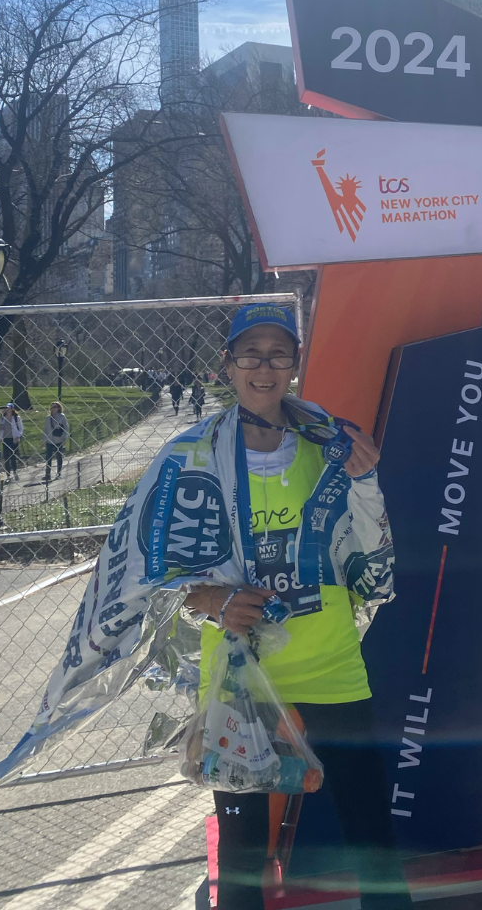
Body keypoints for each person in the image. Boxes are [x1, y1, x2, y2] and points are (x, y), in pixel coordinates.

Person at [181, 304, 412, 910]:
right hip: (239, 672)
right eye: (250, 353)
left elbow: (370, 547)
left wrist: (366, 480)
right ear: (226, 365)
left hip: (329, 661)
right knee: (242, 847)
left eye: (277, 353)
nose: (264, 366)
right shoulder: (192, 456)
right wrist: (214, 599)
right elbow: (163, 579)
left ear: (295, 365)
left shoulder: (331, 444)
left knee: (369, 825)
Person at [43, 401, 69, 482]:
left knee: (59, 456)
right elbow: (46, 429)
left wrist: (64, 437)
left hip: (58, 439)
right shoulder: (48, 418)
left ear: (58, 408)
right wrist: (44, 439)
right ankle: (47, 474)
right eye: (51, 407)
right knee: (48, 457)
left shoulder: (61, 416)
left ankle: (59, 473)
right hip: (49, 440)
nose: (52, 409)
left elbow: (66, 428)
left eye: (54, 407)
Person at [0, 403, 23, 480]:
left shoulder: (16, 418)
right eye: (6, 408)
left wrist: (18, 436)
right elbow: (0, 430)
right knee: (6, 457)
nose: (7, 409)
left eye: (8, 408)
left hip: (13, 439)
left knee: (13, 456)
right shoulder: (2, 419)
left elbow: (21, 428)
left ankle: (15, 471)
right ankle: (8, 474)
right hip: (6, 439)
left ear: (12, 409)